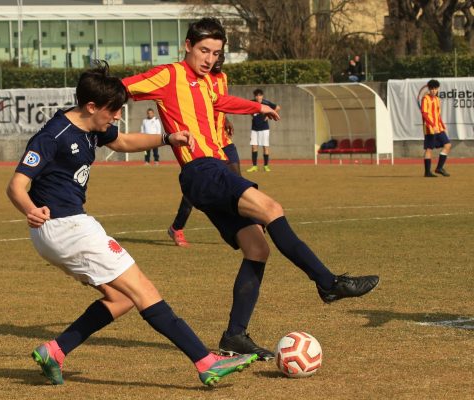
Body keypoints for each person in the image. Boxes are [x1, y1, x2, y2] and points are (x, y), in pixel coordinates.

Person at [122, 17, 379, 361]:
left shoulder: (211, 82)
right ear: (187, 46)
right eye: (203, 50)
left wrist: (258, 106)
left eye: (216, 52)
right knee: (271, 209)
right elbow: (122, 87)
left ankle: (234, 336)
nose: (209, 58)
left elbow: (221, 102)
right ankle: (328, 283)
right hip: (202, 169)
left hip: (210, 171)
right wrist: (96, 116)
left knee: (257, 249)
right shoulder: (169, 75)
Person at [6, 62, 256, 386]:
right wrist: (29, 208)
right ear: (91, 106)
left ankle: (55, 350)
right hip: (68, 227)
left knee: (120, 298)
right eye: (113, 111)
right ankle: (206, 361)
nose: (117, 117)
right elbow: (15, 185)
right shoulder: (53, 135)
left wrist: (167, 138)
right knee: (144, 290)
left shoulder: (93, 125)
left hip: (58, 233)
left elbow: (122, 142)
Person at [167, 53, 240, 247]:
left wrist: (226, 120)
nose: (218, 63)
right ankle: (177, 227)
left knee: (237, 183)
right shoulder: (200, 78)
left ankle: (239, 228)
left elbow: (219, 103)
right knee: (198, 188)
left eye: (221, 59)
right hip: (205, 142)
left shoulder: (223, 77)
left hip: (223, 140)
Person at [420, 79, 451, 177]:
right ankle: (427, 172)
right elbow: (424, 114)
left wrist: (442, 125)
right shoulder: (425, 98)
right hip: (429, 128)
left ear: (438, 89)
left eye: (435, 89)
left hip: (438, 127)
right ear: (429, 89)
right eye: (432, 89)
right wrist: (432, 125)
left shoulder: (437, 100)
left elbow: (437, 115)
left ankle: (439, 168)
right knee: (429, 149)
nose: (434, 91)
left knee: (447, 145)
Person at [246, 89, 280, 172]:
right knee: (254, 147)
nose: (258, 97)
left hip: (264, 129)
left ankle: (266, 166)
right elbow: (245, 107)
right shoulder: (251, 102)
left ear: (262, 96)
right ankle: (254, 166)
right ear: (255, 96)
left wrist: (269, 114)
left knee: (265, 147)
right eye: (257, 95)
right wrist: (251, 113)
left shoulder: (266, 103)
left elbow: (278, 107)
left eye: (260, 95)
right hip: (254, 128)